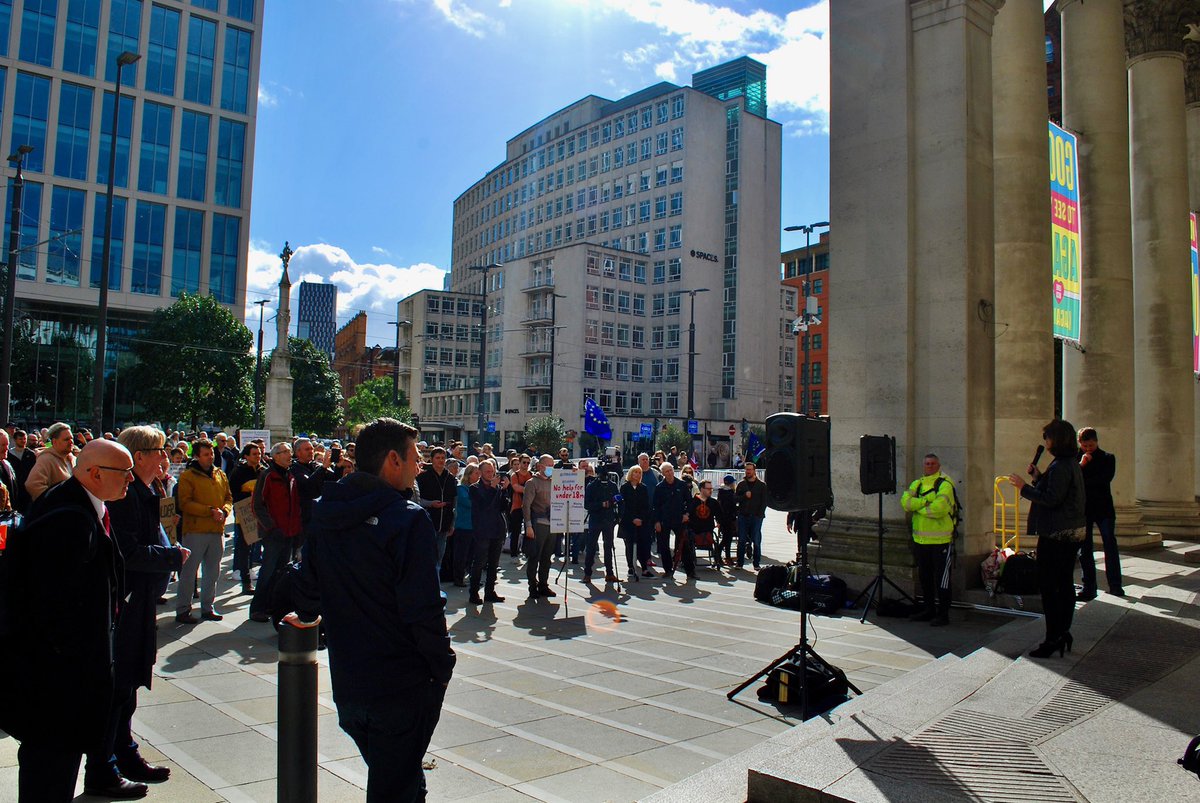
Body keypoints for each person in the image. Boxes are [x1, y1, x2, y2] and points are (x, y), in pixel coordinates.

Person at [292, 418, 455, 801]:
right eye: (415, 457)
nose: (420, 465)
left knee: (402, 778)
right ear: (393, 461)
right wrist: (442, 665)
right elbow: (423, 608)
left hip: (350, 683)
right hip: (400, 684)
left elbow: (306, 590)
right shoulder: (408, 519)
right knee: (394, 786)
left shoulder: (327, 510)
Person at [0, 440, 135, 801]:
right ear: (94, 473)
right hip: (57, 683)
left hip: (63, 680)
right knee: (49, 774)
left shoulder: (78, 504)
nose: (130, 480)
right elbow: (52, 607)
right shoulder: (70, 519)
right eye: (124, 473)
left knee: (56, 768)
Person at [84, 427, 188, 796]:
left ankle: (123, 752)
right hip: (124, 605)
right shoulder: (125, 497)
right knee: (117, 688)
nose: (167, 457)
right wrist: (172, 556)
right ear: (139, 455)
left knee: (128, 688)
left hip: (139, 602)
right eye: (160, 451)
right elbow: (126, 551)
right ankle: (103, 766)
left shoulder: (146, 492)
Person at [1009, 419, 1086, 658]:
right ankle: (1061, 633)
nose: (1046, 442)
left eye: (1048, 437)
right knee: (1062, 585)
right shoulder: (1067, 463)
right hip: (1067, 532)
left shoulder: (1062, 465)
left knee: (1051, 587)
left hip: (1057, 534)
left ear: (1057, 439)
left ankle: (1054, 636)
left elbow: (1052, 499)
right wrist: (1038, 477)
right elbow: (1056, 490)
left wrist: (1024, 487)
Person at [174, 441, 233, 624]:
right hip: (196, 529)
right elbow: (185, 503)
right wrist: (209, 511)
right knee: (189, 571)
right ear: (197, 456)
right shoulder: (188, 476)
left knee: (212, 572)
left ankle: (208, 607)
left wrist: (224, 511)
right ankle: (183, 609)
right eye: (206, 454)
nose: (210, 457)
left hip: (216, 530)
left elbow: (228, 498)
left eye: (211, 454)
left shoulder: (220, 474)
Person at [249, 442, 304, 623]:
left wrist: (296, 531)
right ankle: (258, 607)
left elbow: (295, 506)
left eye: (289, 451)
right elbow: (258, 505)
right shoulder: (268, 475)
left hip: (288, 532)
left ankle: (273, 606)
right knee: (268, 571)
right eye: (285, 452)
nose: (289, 455)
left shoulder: (290, 476)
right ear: (275, 456)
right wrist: (271, 527)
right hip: (274, 533)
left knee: (281, 572)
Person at [900, 454, 956, 626]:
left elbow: (939, 509)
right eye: (927, 464)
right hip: (920, 541)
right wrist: (926, 502)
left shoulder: (945, 484)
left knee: (942, 579)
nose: (929, 466)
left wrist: (919, 507)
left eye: (932, 464)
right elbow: (905, 503)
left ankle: (943, 614)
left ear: (938, 465)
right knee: (925, 577)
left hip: (941, 542)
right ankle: (928, 609)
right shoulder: (917, 483)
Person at [1075, 427, 1123, 600]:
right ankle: (1089, 587)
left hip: (1103, 508)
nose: (1088, 449)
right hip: (1085, 509)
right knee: (1085, 549)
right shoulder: (1076, 460)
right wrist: (1082, 464)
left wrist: (1085, 478)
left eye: (1091, 445)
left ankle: (1115, 585)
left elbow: (1104, 479)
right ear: (1079, 444)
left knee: (1110, 544)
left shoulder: (1107, 458)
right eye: (1085, 445)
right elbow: (1073, 479)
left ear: (1096, 442)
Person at [468, 460, 509, 604]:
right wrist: (493, 489)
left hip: (497, 529)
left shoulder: (497, 487)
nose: (490, 474)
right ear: (480, 473)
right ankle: (473, 593)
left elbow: (503, 507)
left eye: (492, 471)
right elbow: (484, 506)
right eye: (487, 472)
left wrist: (503, 490)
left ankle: (490, 592)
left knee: (493, 564)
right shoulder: (474, 488)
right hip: (483, 530)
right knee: (479, 562)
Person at [228, 442, 263, 595]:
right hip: (245, 514)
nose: (258, 456)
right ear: (247, 456)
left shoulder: (263, 471)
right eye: (254, 454)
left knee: (256, 546)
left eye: (259, 453)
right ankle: (245, 580)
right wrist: (248, 494)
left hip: (261, 514)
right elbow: (232, 493)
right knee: (244, 547)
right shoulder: (239, 472)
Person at [415, 446, 457, 574]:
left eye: (443, 458)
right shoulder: (423, 478)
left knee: (439, 556)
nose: (441, 461)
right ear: (431, 459)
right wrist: (431, 504)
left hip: (444, 523)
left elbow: (455, 502)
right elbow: (417, 500)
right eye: (437, 458)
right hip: (428, 522)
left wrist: (452, 524)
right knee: (427, 556)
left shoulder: (450, 478)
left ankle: (436, 585)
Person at [521, 455, 557, 598]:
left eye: (553, 465)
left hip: (553, 523)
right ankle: (532, 586)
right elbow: (526, 506)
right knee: (534, 556)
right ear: (541, 466)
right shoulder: (532, 482)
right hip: (538, 523)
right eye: (549, 465)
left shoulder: (555, 482)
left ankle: (543, 585)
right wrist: (528, 525)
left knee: (547, 557)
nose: (551, 468)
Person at [652, 462, 690, 578]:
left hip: (680, 519)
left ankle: (690, 570)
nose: (669, 473)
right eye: (667, 471)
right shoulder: (659, 488)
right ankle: (668, 570)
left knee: (684, 545)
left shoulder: (682, 485)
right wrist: (657, 522)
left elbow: (689, 501)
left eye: (671, 470)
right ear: (663, 473)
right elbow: (656, 506)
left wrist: (687, 514)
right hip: (665, 520)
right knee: (664, 546)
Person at [583, 468, 620, 583]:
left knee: (608, 547)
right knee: (591, 547)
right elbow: (587, 504)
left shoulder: (612, 485)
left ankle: (610, 573)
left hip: (608, 519)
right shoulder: (592, 486)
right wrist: (601, 504)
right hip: (596, 519)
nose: (604, 476)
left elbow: (619, 498)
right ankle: (587, 573)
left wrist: (616, 508)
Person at [25, 421, 76, 502]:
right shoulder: (46, 459)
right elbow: (32, 484)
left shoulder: (73, 459)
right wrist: (53, 503)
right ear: (54, 442)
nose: (71, 442)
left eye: (71, 438)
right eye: (66, 439)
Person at [618, 465, 652, 580]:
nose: (637, 474)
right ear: (631, 473)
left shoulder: (643, 488)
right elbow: (623, 506)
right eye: (635, 472)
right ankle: (631, 567)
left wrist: (641, 519)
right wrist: (632, 518)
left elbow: (646, 506)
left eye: (639, 472)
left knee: (643, 544)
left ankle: (644, 568)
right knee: (629, 545)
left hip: (641, 522)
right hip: (628, 521)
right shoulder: (624, 487)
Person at [684, 480, 722, 579]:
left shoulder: (713, 502)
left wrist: (719, 522)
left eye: (711, 488)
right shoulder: (693, 502)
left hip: (708, 530)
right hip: (694, 530)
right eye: (708, 488)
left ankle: (717, 559)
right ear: (702, 489)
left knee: (712, 539)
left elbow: (720, 515)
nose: (710, 490)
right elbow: (687, 513)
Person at [450, 464, 480, 587]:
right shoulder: (461, 488)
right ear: (468, 475)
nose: (478, 476)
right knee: (461, 553)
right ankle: (458, 577)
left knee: (472, 554)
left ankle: (468, 576)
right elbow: (469, 503)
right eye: (476, 473)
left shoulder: (477, 488)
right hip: (463, 525)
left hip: (474, 526)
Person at [735, 463, 767, 569]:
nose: (748, 471)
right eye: (746, 469)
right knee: (742, 540)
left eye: (750, 469)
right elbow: (736, 499)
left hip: (756, 516)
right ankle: (740, 563)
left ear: (754, 471)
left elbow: (764, 501)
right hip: (743, 515)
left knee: (756, 540)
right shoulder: (741, 484)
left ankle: (756, 563)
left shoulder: (762, 485)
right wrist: (744, 496)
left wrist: (759, 514)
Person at [507, 454, 532, 560]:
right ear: (520, 462)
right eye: (524, 462)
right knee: (516, 531)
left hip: (529, 506)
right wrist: (529, 490)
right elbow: (516, 488)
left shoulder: (531, 474)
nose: (526, 464)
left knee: (528, 530)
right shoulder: (514, 475)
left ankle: (526, 551)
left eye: (528, 463)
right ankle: (514, 554)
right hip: (517, 506)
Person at [8, 428, 36, 513]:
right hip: (13, 487)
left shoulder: (31, 454)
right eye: (20, 439)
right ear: (15, 440)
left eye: (24, 439)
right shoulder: (9, 454)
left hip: (26, 488)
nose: (23, 441)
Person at [716, 475, 739, 566]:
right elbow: (732, 506)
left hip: (722, 518)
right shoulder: (729, 493)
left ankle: (725, 556)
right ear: (731, 483)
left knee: (727, 538)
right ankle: (722, 555)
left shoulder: (721, 492)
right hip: (728, 519)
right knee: (727, 539)